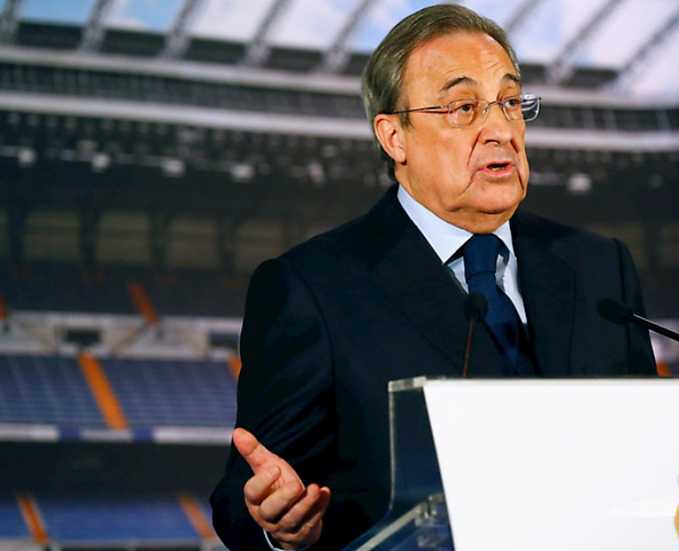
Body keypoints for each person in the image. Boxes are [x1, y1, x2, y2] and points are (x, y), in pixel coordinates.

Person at [210, 5, 656, 550]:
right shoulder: (311, 289)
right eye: (464, 108)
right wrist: (279, 525)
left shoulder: (600, 267)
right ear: (394, 137)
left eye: (510, 102)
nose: (501, 131)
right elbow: (244, 499)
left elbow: (649, 451)